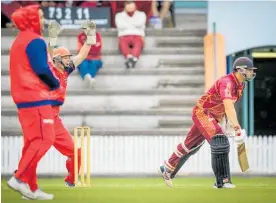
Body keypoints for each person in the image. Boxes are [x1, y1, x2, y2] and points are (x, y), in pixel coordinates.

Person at [159, 57, 257, 188]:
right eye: (249, 70)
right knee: (219, 141)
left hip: (214, 116)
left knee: (191, 145)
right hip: (202, 112)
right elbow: (228, 106)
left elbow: (228, 108)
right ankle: (222, 182)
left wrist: (231, 127)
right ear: (240, 69)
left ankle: (167, 167)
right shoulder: (227, 82)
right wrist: (238, 128)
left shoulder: (241, 86)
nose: (251, 72)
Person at [7, 5, 60, 200]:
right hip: (35, 98)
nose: (44, 19)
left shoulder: (19, 40)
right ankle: (19, 178)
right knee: (44, 140)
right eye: (40, 16)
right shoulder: (35, 41)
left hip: (24, 100)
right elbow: (42, 69)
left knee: (31, 144)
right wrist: (55, 84)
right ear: (31, 19)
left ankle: (31, 188)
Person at [115, 0, 146, 69]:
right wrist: (134, 24)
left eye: (131, 6)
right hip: (124, 35)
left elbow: (140, 24)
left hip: (137, 35)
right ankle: (129, 58)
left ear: (135, 6)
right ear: (125, 7)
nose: (130, 8)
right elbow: (120, 26)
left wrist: (127, 24)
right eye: (128, 6)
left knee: (138, 42)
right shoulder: (119, 15)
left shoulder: (141, 14)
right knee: (122, 42)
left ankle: (133, 59)